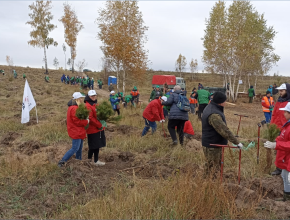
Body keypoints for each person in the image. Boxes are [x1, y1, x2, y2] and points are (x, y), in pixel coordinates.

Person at [202, 92, 243, 176]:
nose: (225, 102)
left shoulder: (211, 107)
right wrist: (237, 142)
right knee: (213, 168)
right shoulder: (214, 115)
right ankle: (210, 185)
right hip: (212, 146)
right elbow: (223, 130)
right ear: (220, 102)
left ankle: (211, 183)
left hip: (213, 143)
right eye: (225, 101)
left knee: (213, 166)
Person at [264, 102, 290, 201]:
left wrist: (276, 145)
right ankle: (286, 197)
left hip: (288, 157)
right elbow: (283, 137)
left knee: (288, 178)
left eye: (286, 112)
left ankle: (287, 199)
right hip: (285, 157)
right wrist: (275, 141)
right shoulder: (287, 125)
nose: (284, 114)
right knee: (284, 176)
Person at [58, 92, 89, 167]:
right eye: (81, 98)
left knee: (79, 148)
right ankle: (62, 161)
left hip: (79, 131)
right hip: (76, 131)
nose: (82, 99)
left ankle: (78, 162)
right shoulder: (74, 108)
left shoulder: (74, 107)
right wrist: (86, 121)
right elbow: (77, 121)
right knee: (75, 148)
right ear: (77, 99)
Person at [270, 83, 290, 176]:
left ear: (287, 91)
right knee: (278, 149)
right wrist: (272, 126)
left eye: (282, 91)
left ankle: (285, 168)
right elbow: (274, 114)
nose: (280, 93)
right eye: (279, 91)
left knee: (285, 148)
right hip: (277, 128)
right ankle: (279, 168)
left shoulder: (288, 103)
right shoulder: (279, 101)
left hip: (286, 128)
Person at [84, 90, 106, 166]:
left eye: (95, 95)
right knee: (93, 145)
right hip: (92, 129)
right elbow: (90, 118)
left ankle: (93, 160)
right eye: (92, 96)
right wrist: (99, 124)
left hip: (97, 128)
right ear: (89, 96)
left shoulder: (95, 104)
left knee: (96, 145)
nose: (94, 97)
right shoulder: (88, 106)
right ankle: (91, 160)